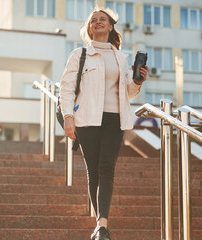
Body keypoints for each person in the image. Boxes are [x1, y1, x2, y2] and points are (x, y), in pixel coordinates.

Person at [59, 7, 148, 240]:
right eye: (94, 20)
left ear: (110, 27)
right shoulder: (79, 55)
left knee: (107, 168)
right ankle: (100, 225)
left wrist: (137, 81)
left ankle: (102, 226)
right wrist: (68, 116)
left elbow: (127, 93)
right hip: (87, 118)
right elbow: (66, 89)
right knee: (94, 172)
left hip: (114, 118)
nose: (98, 22)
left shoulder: (120, 57)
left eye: (103, 20)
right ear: (90, 28)